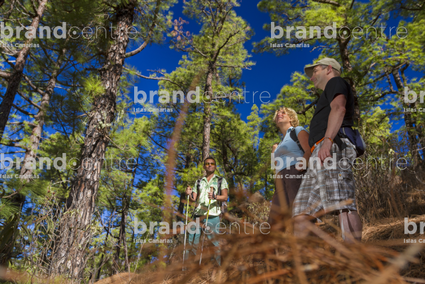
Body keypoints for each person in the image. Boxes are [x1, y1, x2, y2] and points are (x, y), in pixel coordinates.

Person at [292, 57, 362, 243]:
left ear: (329, 69)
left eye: (315, 71)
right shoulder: (325, 95)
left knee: (342, 203)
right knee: (300, 212)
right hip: (319, 153)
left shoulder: (336, 82)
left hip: (332, 147)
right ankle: (302, 265)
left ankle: (355, 257)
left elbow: (339, 108)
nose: (311, 77)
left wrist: (328, 141)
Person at [269, 107, 311, 229]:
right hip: (281, 181)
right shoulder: (277, 145)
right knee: (275, 219)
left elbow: (309, 150)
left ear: (291, 118)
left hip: (296, 173)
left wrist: (300, 167)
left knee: (299, 213)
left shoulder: (297, 130)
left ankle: (307, 246)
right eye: (277, 113)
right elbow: (274, 166)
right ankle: (273, 247)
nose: (279, 114)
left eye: (283, 112)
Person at [184, 156, 228, 265]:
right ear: (204, 166)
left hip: (212, 214)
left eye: (212, 163)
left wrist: (215, 197)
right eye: (207, 163)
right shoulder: (199, 182)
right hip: (198, 214)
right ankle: (190, 268)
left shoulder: (220, 180)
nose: (209, 165)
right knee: (192, 241)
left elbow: (225, 197)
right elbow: (194, 198)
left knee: (214, 242)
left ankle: (217, 269)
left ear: (215, 166)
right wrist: (189, 194)